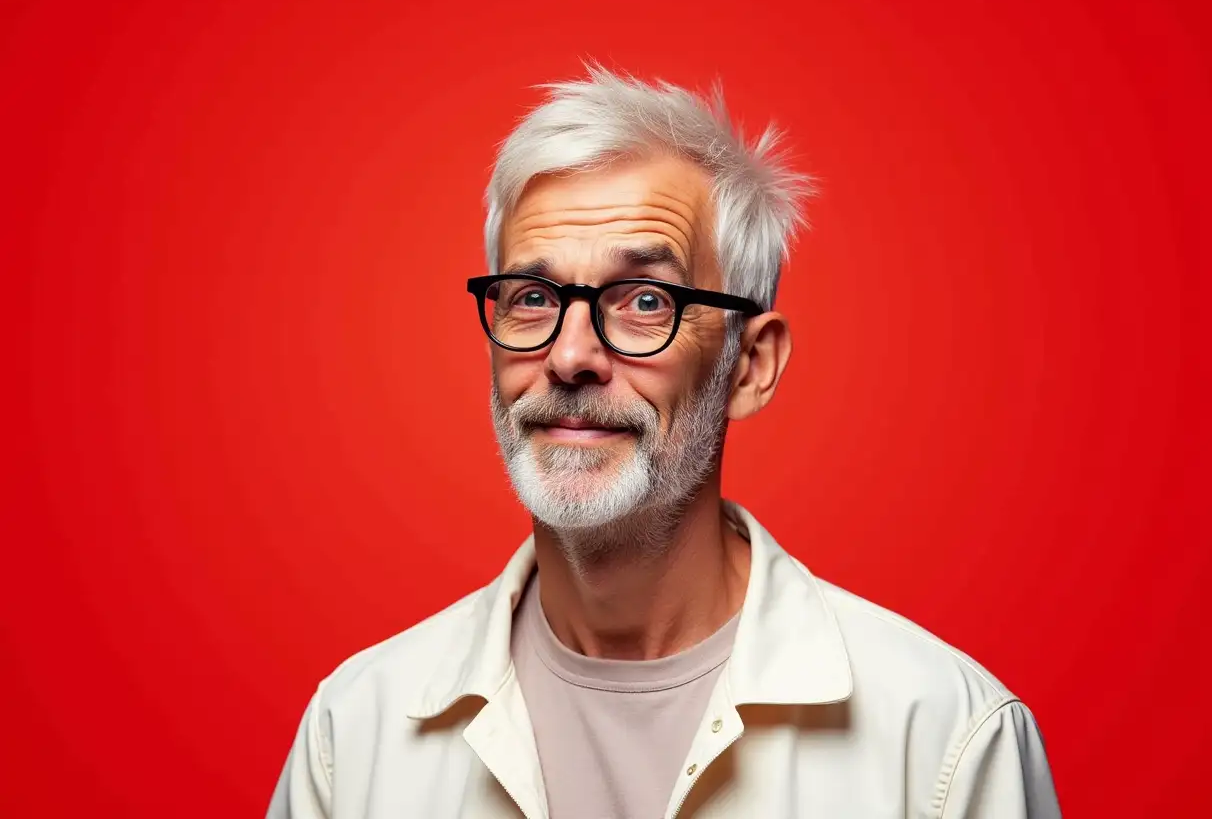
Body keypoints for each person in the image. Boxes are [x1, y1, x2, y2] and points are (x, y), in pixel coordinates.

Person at [267, 66, 1061, 818]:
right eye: (534, 297)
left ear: (750, 363)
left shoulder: (947, 739)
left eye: (646, 299)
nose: (571, 355)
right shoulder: (356, 733)